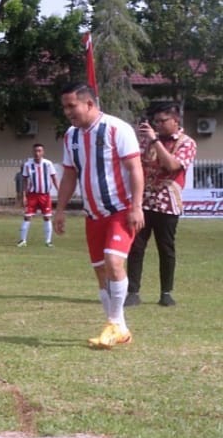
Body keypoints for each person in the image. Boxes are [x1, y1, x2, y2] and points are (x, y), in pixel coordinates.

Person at [54, 81, 145, 349]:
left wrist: (137, 206)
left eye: (72, 106)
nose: (68, 112)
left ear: (89, 104)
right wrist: (59, 210)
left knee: (113, 262)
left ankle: (113, 324)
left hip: (121, 210)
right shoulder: (70, 136)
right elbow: (69, 175)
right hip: (92, 214)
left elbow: (135, 169)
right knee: (101, 271)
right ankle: (120, 329)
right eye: (65, 107)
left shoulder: (117, 129)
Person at [126, 102, 196, 307]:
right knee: (136, 247)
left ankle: (166, 292)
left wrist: (154, 141)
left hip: (167, 202)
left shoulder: (187, 142)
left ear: (176, 120)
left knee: (166, 249)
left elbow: (173, 165)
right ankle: (133, 291)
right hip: (143, 201)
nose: (158, 125)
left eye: (162, 121)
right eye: (155, 121)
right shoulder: (145, 141)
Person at [17, 143, 58, 247]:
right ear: (33, 152)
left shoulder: (48, 164)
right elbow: (25, 180)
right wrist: (24, 196)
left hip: (45, 195)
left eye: (39, 151)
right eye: (35, 151)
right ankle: (22, 240)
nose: (37, 153)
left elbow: (54, 178)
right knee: (27, 217)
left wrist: (59, 190)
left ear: (43, 152)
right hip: (32, 195)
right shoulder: (28, 165)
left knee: (47, 217)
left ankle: (48, 241)